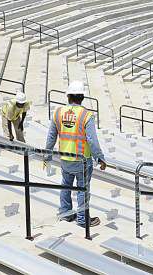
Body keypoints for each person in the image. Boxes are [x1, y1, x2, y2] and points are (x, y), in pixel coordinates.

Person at [44, 80, 107, 228]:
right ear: (82, 97)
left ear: (68, 96)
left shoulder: (58, 112)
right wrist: (100, 158)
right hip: (82, 160)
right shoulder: (86, 115)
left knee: (66, 186)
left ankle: (65, 213)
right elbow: (92, 140)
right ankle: (82, 219)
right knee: (82, 189)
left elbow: (51, 137)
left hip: (65, 158)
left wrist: (47, 156)